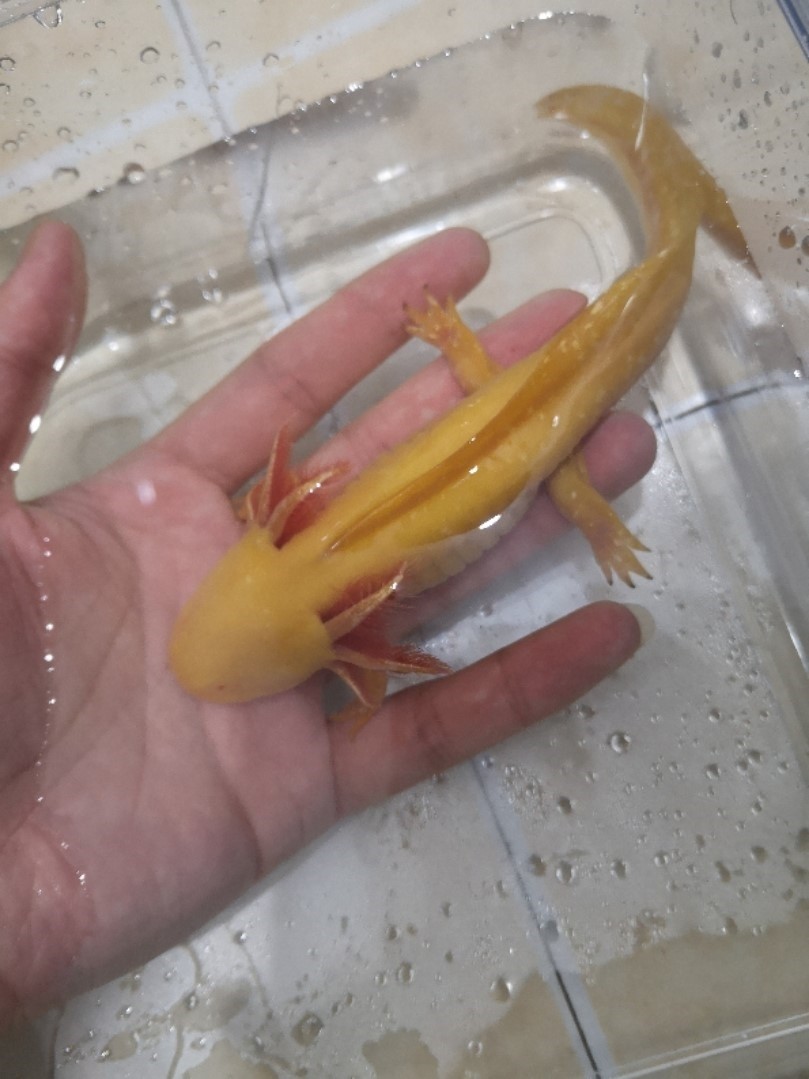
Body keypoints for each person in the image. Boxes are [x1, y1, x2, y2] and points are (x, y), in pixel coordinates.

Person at [0, 221, 654, 1025]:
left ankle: (663, 262)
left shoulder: (339, 628)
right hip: (496, 423)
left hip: (520, 442)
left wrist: (596, 523)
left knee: (550, 440)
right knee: (521, 414)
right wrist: (458, 344)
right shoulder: (280, 533)